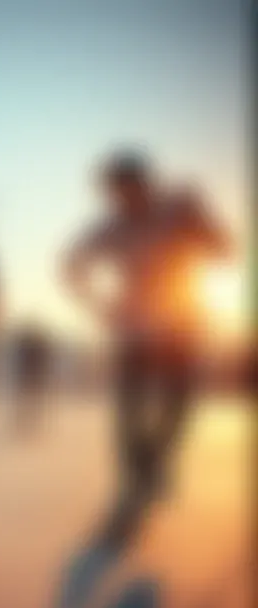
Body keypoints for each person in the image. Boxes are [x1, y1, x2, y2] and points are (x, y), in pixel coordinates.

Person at [62, 149, 233, 551]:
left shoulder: (180, 207)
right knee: (128, 410)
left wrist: (202, 221)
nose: (119, 200)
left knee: (178, 403)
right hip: (134, 331)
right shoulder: (111, 226)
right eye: (112, 193)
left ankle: (156, 463)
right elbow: (71, 264)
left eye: (125, 190)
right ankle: (135, 485)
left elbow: (224, 251)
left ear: (145, 183)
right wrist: (98, 304)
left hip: (181, 325)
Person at [9, 322, 52, 433]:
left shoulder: (28, 349)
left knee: (29, 401)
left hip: (30, 378)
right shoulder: (36, 349)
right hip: (30, 378)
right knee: (29, 401)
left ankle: (27, 423)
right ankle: (26, 423)